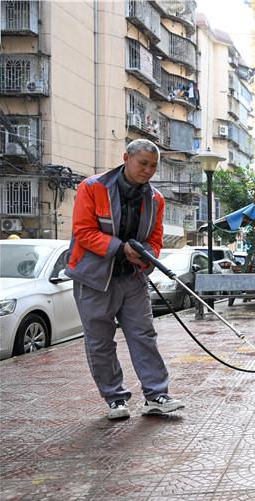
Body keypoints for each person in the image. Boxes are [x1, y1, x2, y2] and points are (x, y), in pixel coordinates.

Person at [66, 139, 184, 420]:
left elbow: (155, 240)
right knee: (100, 341)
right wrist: (121, 248)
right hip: (94, 279)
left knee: (144, 335)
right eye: (143, 163)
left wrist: (147, 256)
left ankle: (156, 395)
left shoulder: (156, 199)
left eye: (153, 166)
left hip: (132, 278)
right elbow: (83, 231)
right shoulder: (93, 187)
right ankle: (115, 399)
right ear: (126, 159)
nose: (148, 170)